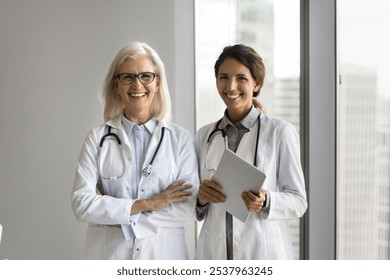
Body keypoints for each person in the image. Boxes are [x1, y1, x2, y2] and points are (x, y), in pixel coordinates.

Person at [71, 42, 199, 260]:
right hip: (111, 256)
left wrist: (116, 215)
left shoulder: (180, 139)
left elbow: (186, 207)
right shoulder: (97, 139)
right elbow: (82, 203)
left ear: (157, 83)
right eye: (127, 77)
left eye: (146, 76)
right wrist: (151, 203)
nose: (137, 84)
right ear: (116, 86)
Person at [194, 44, 307, 260]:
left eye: (241, 78)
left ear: (257, 83)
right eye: (224, 77)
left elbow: (299, 201)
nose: (231, 86)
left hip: (262, 254)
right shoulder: (204, 136)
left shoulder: (280, 132)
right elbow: (194, 206)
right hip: (214, 254)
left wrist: (266, 201)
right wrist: (200, 199)